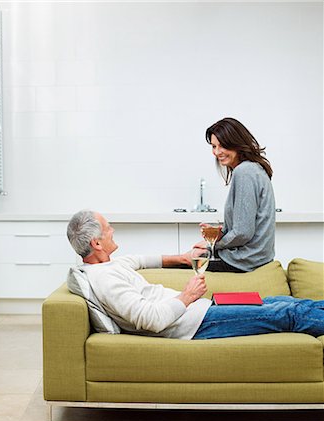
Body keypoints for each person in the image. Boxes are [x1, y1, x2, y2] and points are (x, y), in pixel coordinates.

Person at [66, 209, 324, 340]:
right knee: (288, 314)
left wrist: (181, 258)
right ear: (96, 244)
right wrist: (187, 296)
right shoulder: (105, 279)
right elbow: (151, 319)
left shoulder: (109, 265)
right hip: (195, 323)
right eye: (107, 228)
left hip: (199, 310)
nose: (112, 230)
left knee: (287, 302)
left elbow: (143, 260)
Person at [197, 117, 275, 273]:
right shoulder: (254, 169)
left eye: (223, 145)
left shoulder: (244, 172)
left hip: (244, 261)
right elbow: (244, 225)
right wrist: (221, 233)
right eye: (214, 146)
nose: (217, 152)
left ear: (236, 143)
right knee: (191, 255)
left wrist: (212, 245)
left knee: (187, 259)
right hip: (255, 258)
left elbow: (242, 233)